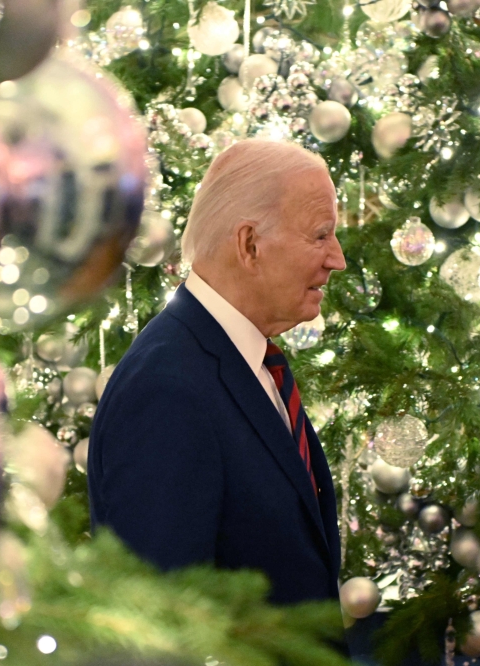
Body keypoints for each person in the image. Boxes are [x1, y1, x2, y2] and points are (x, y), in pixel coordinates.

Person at [88, 139, 347, 605]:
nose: (337, 259)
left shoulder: (245, 361)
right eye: (320, 235)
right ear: (250, 244)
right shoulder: (166, 388)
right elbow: (160, 621)